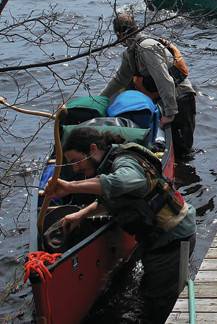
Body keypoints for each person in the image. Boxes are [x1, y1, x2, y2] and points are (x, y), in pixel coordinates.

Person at [44, 127, 196, 324]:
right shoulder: (111, 163)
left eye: (75, 161)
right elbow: (113, 198)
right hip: (162, 239)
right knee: (147, 296)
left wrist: (70, 187)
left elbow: (129, 181)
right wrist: (81, 214)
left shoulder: (124, 161)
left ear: (92, 149)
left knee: (156, 308)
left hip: (173, 240)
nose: (74, 169)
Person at [101, 12, 196, 160]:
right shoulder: (130, 53)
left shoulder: (147, 47)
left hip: (180, 97)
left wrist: (170, 114)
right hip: (165, 98)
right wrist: (100, 101)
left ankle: (184, 175)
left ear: (120, 34)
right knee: (175, 151)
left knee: (183, 150)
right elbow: (120, 80)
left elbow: (165, 80)